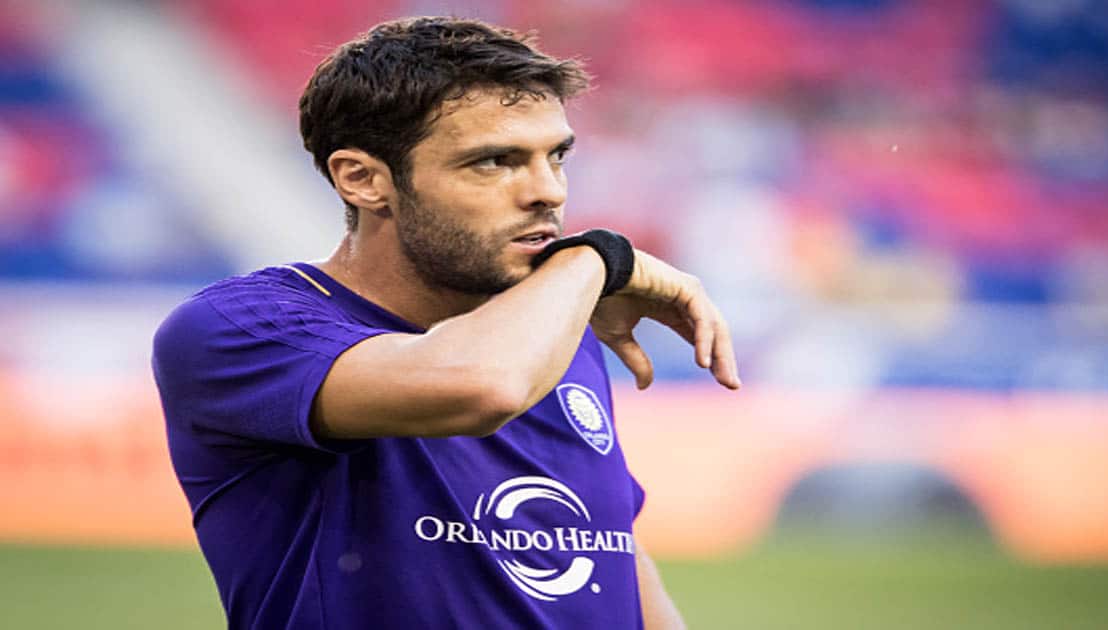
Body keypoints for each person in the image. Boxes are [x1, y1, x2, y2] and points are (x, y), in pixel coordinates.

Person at [152, 16, 738, 630]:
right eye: (494, 162)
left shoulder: (557, 334)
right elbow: (480, 386)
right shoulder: (239, 329)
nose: (548, 192)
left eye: (556, 156)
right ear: (363, 179)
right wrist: (599, 258)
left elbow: (608, 552)